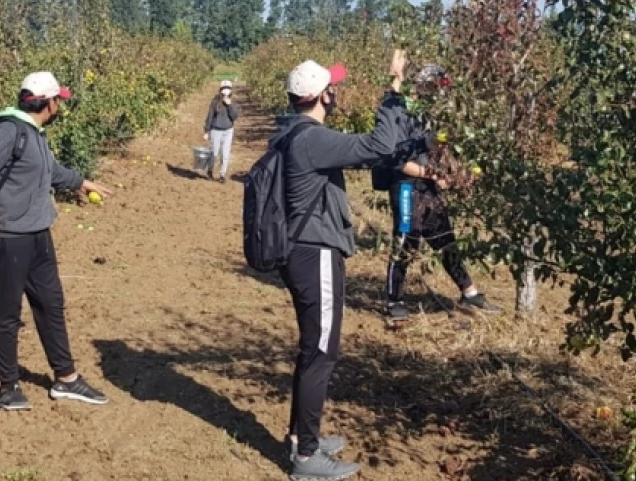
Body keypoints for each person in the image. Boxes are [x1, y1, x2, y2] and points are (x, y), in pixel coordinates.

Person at [272, 59, 432, 480]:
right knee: (321, 353)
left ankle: (301, 437)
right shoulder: (314, 139)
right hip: (315, 254)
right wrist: (392, 89)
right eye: (332, 88)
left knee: (313, 350)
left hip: (304, 252)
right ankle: (306, 458)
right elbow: (380, 146)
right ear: (322, 95)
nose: (336, 93)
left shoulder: (295, 133)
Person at [0, 71, 114, 412]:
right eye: (58, 99)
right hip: (9, 236)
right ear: (47, 103)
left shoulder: (34, 134)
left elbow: (49, 170)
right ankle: (7, 385)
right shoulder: (9, 132)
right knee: (7, 311)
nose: (61, 104)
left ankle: (66, 378)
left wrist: (81, 182)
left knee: (51, 303)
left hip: (37, 232)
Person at [373, 52, 500, 322]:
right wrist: (434, 174)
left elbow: (437, 150)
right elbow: (398, 162)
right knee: (406, 241)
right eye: (434, 87)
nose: (439, 93)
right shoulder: (403, 112)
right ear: (422, 86)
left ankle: (470, 291)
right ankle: (394, 299)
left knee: (444, 236)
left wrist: (459, 173)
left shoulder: (431, 116)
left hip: (427, 184)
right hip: (405, 185)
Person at [203, 79, 240, 183]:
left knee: (225, 153)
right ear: (220, 90)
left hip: (228, 131)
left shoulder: (233, 103)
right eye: (224, 89)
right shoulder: (215, 102)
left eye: (228, 89)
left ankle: (222, 175)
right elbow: (210, 116)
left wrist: (229, 105)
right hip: (216, 130)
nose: (226, 91)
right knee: (214, 153)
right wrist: (206, 131)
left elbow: (234, 116)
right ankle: (210, 170)